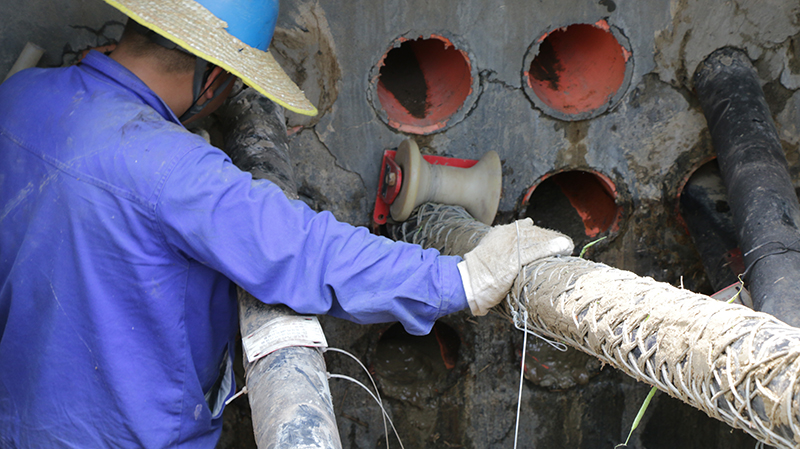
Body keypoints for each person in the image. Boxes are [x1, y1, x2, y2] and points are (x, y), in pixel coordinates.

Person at [0, 0, 573, 447]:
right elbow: (303, 251)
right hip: (129, 435)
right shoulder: (172, 169)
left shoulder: (19, 97)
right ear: (214, 77)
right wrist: (461, 278)